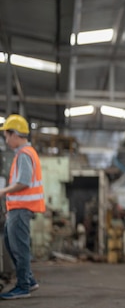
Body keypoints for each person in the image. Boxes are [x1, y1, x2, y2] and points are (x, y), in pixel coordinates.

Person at [0, 114, 45, 300]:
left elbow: (24, 182)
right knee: (11, 243)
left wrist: (2, 192)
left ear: (15, 134)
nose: (6, 139)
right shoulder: (26, 153)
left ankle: (23, 286)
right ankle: (29, 279)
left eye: (6, 136)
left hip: (20, 208)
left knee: (19, 247)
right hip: (18, 208)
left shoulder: (24, 155)